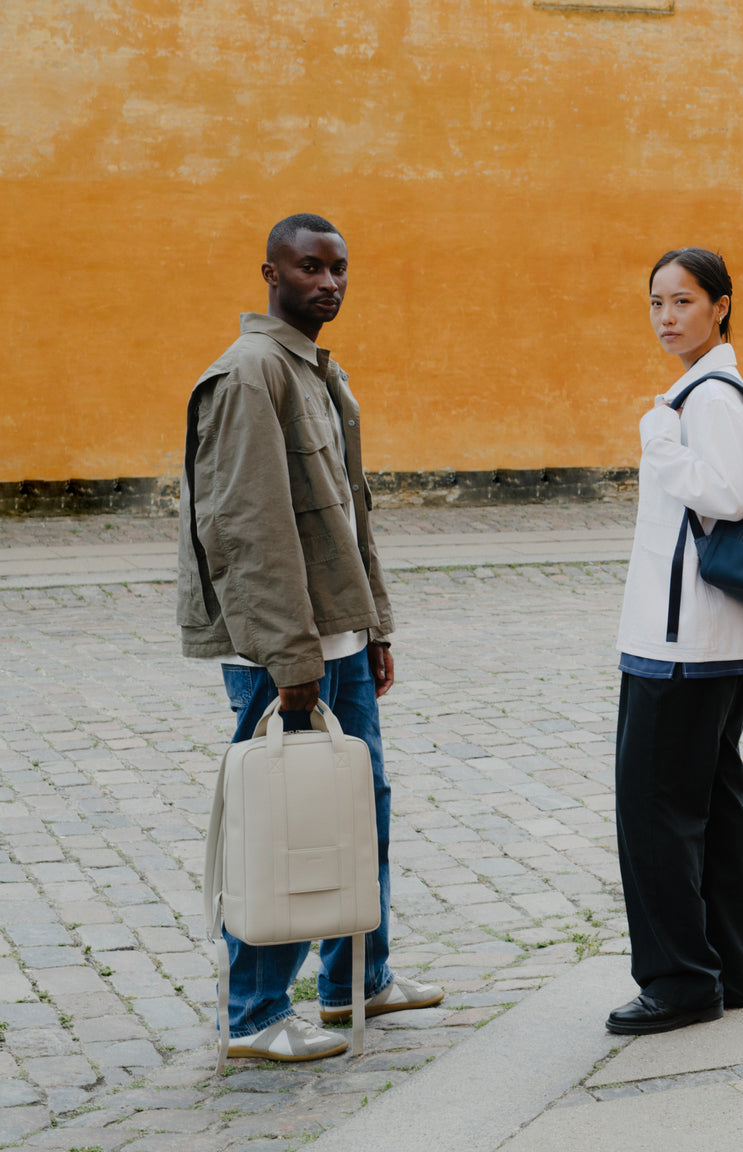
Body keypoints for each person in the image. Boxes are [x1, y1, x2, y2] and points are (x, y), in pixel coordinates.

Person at [178, 213, 442, 1061]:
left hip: (338, 637)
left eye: (338, 270)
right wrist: (290, 658)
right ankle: (253, 1014)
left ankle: (354, 982)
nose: (327, 283)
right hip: (284, 651)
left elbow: (348, 516)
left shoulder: (318, 370)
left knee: (360, 811)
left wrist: (374, 627)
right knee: (285, 822)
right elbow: (247, 529)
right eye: (309, 268)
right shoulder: (251, 374)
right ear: (270, 272)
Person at [607, 248, 743, 1035]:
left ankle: (678, 982)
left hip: (681, 643)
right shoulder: (707, 391)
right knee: (710, 804)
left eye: (684, 301)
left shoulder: (702, 398)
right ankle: (728, 970)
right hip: (706, 638)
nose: (668, 317)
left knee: (653, 811)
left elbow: (729, 496)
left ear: (721, 307)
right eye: (656, 303)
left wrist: (659, 440)